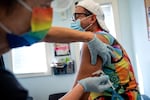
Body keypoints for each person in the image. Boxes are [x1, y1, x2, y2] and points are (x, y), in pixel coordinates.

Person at [0, 0, 113, 99]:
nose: (45, 17)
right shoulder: (5, 85)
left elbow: (41, 33)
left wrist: (89, 37)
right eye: (44, 5)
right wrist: (82, 87)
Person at [71, 0, 141, 100]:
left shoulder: (92, 43)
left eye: (77, 16)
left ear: (92, 18)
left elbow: (79, 92)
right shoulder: (107, 38)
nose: (74, 20)